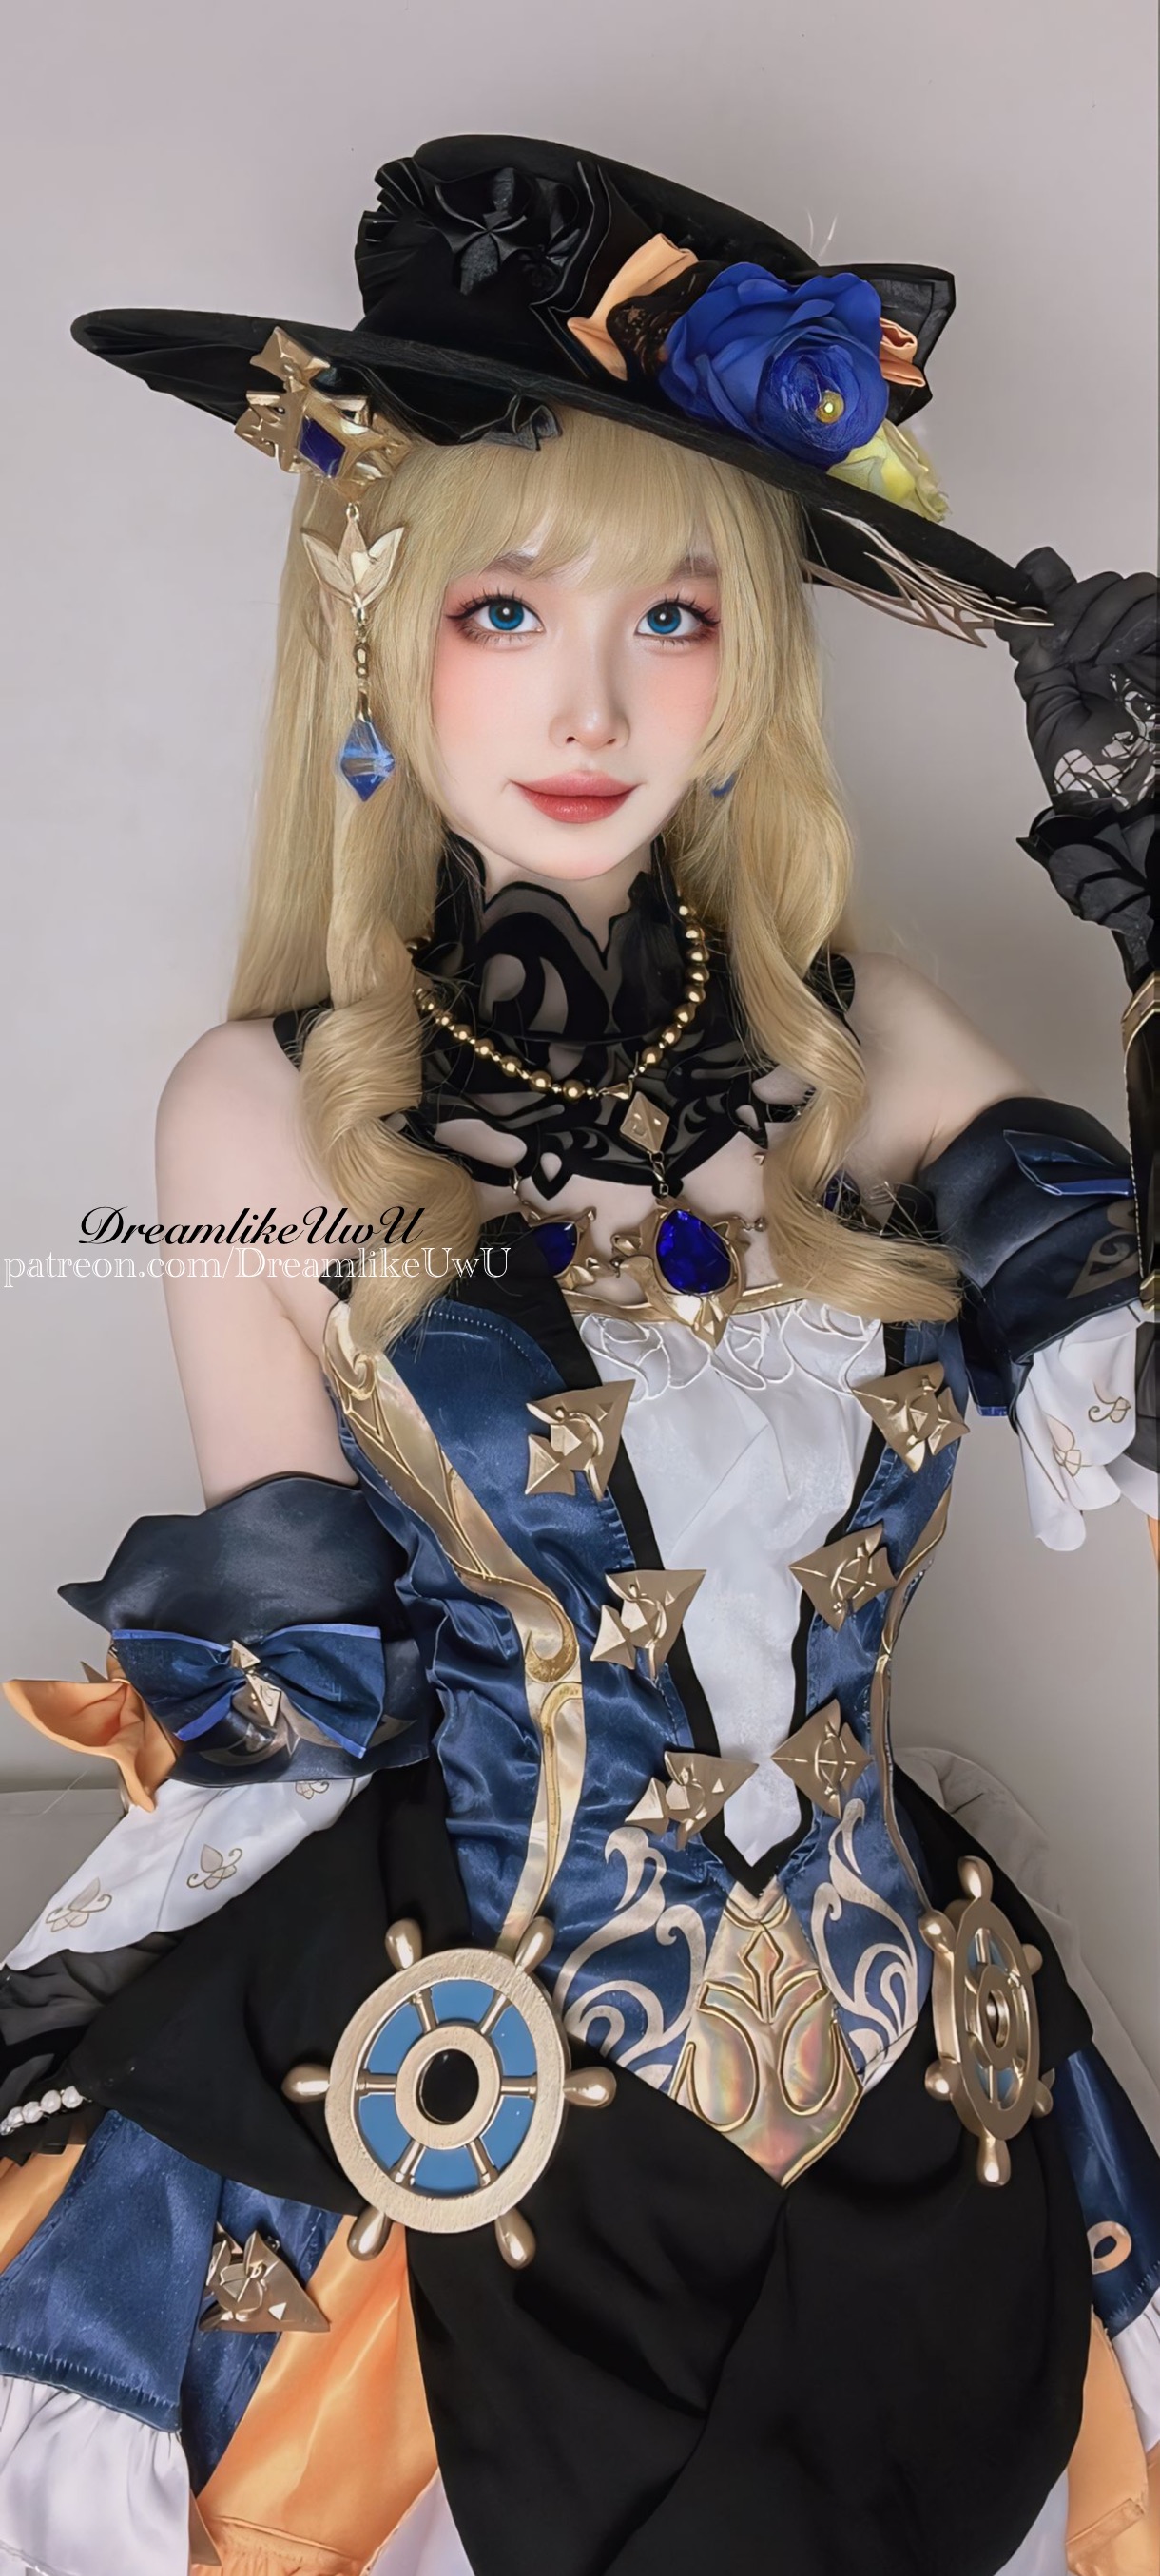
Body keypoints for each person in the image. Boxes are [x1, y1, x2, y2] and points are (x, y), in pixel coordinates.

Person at [0, 132, 1156, 2576]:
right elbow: (290, 1700)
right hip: (479, 2100)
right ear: (373, 616)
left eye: (679, 615)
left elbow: (1126, 1376)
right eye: (509, 605)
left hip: (927, 2085)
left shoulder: (857, 1038)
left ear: (755, 662)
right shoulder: (257, 1105)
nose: (596, 697)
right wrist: (113, 2018)